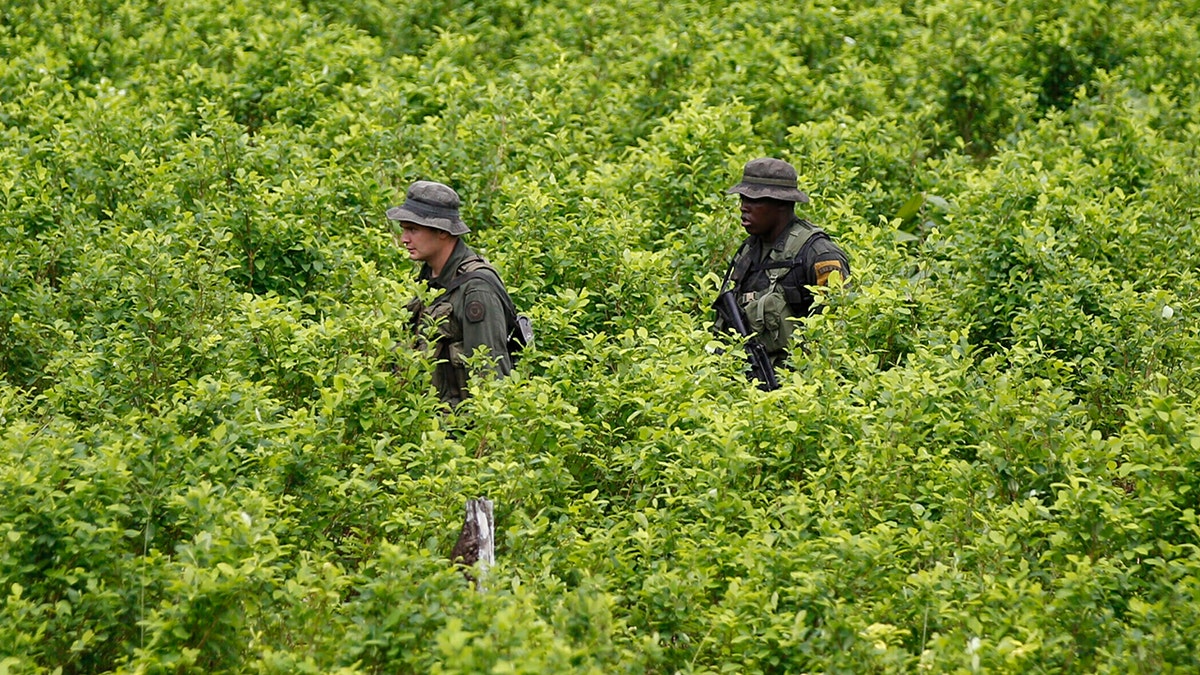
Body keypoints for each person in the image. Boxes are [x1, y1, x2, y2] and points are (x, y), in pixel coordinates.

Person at [714, 157, 850, 369]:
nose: (743, 207)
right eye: (742, 199)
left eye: (754, 200)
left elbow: (838, 329)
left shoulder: (818, 254)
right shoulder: (749, 250)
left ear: (781, 204)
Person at [390, 180, 516, 406]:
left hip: (460, 432)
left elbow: (491, 378)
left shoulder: (477, 289)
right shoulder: (431, 278)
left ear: (442, 232)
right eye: (404, 229)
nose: (404, 239)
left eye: (413, 230)